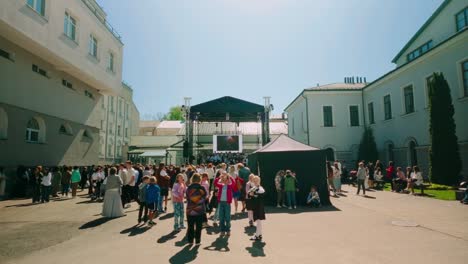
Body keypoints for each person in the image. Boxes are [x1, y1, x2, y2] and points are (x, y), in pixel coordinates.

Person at [186, 173, 207, 245]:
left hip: (190, 209)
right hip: (199, 209)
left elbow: (187, 197)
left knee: (190, 226)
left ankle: (190, 241)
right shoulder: (202, 188)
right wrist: (198, 200)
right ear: (199, 179)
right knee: (198, 226)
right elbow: (204, 197)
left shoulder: (188, 188)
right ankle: (197, 241)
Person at [214, 172, 235, 236]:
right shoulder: (221, 186)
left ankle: (228, 230)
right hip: (221, 203)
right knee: (221, 217)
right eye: (224, 180)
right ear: (222, 180)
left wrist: (229, 176)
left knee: (227, 217)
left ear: (228, 180)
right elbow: (215, 183)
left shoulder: (230, 186)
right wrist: (219, 177)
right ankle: (222, 230)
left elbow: (234, 182)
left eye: (227, 180)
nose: (225, 181)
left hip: (227, 203)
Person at [248, 175, 266, 241]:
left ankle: (257, 235)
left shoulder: (260, 189)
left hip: (259, 207)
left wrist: (254, 194)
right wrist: (251, 194)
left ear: (259, 181)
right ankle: (259, 234)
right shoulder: (254, 187)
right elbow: (249, 193)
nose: (255, 182)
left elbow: (261, 194)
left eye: (256, 181)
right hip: (255, 207)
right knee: (258, 221)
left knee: (258, 221)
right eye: (254, 181)